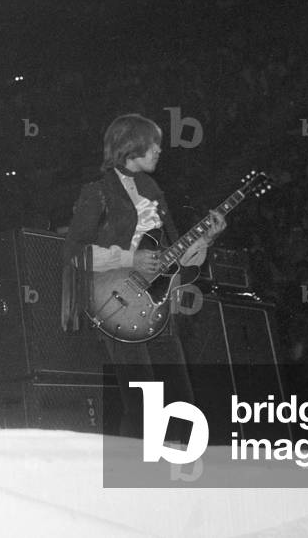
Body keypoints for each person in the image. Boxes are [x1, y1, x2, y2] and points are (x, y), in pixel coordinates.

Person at [62, 114, 225, 439]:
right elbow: (74, 254)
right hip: (116, 301)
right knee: (142, 403)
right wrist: (130, 257)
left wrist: (206, 241)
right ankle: (134, 476)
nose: (158, 151)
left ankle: (179, 479)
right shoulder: (98, 192)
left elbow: (180, 265)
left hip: (159, 306)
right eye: (152, 144)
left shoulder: (156, 194)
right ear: (129, 146)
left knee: (181, 404)